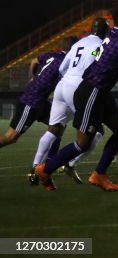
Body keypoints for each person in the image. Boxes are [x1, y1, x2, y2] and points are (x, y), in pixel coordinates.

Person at [36, 5, 118, 192]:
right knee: (83, 144)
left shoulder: (110, 37)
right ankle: (45, 169)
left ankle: (99, 174)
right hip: (92, 92)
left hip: (99, 93)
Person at [31, 20, 109, 184]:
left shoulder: (79, 42)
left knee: (53, 129)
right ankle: (71, 163)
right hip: (79, 88)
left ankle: (35, 168)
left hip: (62, 87)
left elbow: (62, 68)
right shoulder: (101, 45)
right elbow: (96, 66)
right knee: (97, 130)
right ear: (105, 31)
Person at [3, 41, 72, 188]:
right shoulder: (65, 63)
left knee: (59, 126)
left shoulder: (55, 54)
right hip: (31, 102)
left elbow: (34, 60)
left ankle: (43, 167)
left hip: (40, 101)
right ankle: (41, 167)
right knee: (10, 138)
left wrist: (33, 76)